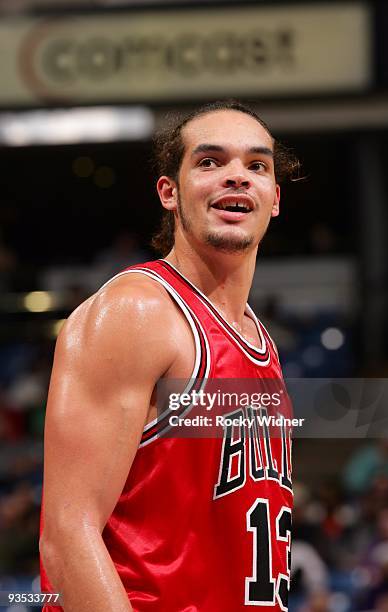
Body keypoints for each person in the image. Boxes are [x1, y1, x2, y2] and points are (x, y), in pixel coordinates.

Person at [39, 100, 298, 611]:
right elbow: (68, 536)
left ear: (274, 200)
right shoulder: (137, 310)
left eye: (256, 165)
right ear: (169, 192)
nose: (237, 177)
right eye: (209, 161)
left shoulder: (260, 341)